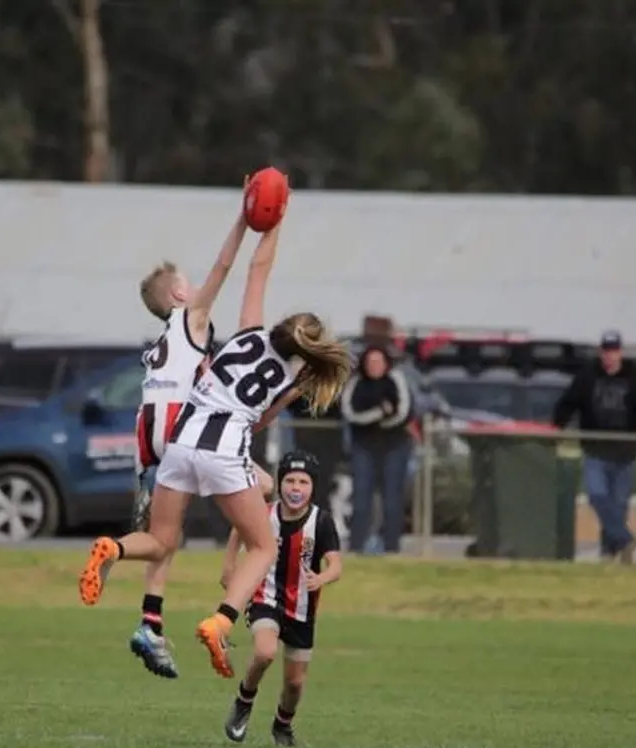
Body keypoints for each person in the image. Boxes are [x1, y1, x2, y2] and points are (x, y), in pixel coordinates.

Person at [78, 219, 354, 679]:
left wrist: (271, 223)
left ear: (280, 327)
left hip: (180, 444)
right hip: (224, 449)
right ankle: (220, 619)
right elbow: (262, 419)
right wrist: (290, 390)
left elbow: (256, 268)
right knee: (264, 547)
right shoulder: (290, 377)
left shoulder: (247, 334)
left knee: (163, 540)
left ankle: (114, 548)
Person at [127, 202, 275, 679]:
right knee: (266, 489)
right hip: (186, 429)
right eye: (186, 283)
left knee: (165, 536)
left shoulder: (158, 343)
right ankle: (234, 578)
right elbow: (225, 268)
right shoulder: (190, 317)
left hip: (149, 430)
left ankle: (151, 619)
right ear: (177, 292)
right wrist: (244, 221)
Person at [221, 451, 341, 747]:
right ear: (280, 483)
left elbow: (335, 565)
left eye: (303, 481)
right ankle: (243, 702)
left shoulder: (321, 522)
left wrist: (321, 578)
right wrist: (229, 565)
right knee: (264, 652)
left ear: (313, 487)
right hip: (265, 595)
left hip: (301, 607)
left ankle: (282, 726)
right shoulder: (264, 513)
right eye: (290, 480)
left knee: (295, 683)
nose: (296, 488)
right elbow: (239, 527)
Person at [552, 330, 636, 563]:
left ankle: (611, 551)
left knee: (618, 505)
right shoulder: (587, 377)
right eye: (606, 351)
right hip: (595, 450)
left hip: (625, 453)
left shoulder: (633, 379)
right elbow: (569, 403)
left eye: (614, 351)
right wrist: (556, 426)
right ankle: (624, 539)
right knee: (597, 496)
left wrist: (635, 436)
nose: (610, 356)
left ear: (620, 352)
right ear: (601, 352)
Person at [339, 344, 412, 554]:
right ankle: (356, 548)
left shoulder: (396, 380)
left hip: (394, 447)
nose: (374, 366)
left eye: (379, 362)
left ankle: (391, 549)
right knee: (361, 500)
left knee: (392, 501)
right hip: (363, 448)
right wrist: (380, 413)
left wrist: (378, 419)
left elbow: (402, 413)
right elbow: (351, 414)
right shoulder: (356, 384)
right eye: (370, 362)